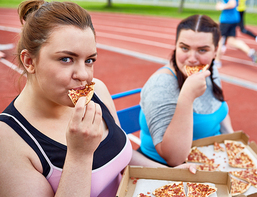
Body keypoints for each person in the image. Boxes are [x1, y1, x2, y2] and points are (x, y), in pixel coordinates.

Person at [0, 1, 196, 196]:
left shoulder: (97, 91)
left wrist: (167, 174)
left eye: (89, 60)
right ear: (29, 61)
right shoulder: (8, 140)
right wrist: (79, 156)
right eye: (66, 59)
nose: (84, 75)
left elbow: (121, 156)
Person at [138, 14, 235, 167]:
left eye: (202, 50)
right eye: (184, 48)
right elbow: (173, 158)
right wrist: (187, 96)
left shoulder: (210, 69)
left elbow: (219, 110)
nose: (192, 58)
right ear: (175, 46)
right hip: (166, 170)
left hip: (212, 159)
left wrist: (233, 142)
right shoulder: (161, 85)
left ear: (215, 51)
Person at [214, 0, 257, 68]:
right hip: (234, 18)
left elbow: (232, 4)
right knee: (232, 41)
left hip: (226, 20)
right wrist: (220, 5)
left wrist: (222, 6)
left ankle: (217, 62)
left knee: (220, 40)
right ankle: (250, 52)